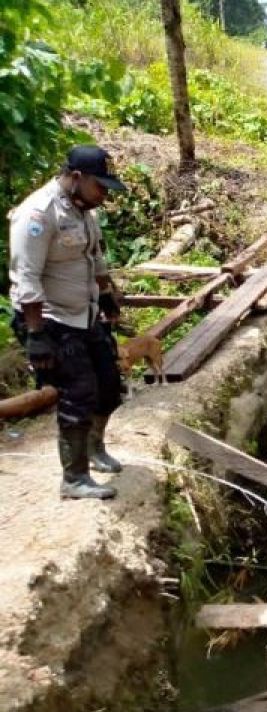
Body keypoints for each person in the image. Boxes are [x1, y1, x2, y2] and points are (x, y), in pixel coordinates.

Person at [8, 145, 128, 500]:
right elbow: (26, 276)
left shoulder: (82, 209)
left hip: (84, 313)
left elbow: (93, 255)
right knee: (78, 392)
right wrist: (36, 334)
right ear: (77, 177)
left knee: (108, 383)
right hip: (50, 319)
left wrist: (105, 294)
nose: (104, 195)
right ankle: (74, 478)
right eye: (100, 187)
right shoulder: (38, 214)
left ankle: (94, 448)